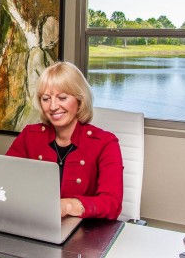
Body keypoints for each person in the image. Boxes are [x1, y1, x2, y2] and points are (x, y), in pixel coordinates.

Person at [6, 61, 123, 219]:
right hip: (34, 220)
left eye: (62, 98)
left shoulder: (106, 143)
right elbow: (5, 179)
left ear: (79, 100)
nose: (53, 106)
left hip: (83, 228)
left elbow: (112, 203)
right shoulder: (29, 135)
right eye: (46, 99)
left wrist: (68, 206)